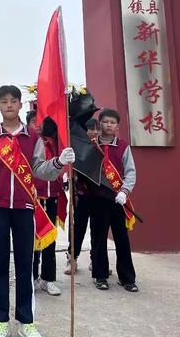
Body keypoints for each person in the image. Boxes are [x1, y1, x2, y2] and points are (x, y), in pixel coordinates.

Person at [0, 85, 75, 337]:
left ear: (21, 105)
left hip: (25, 208)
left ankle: (26, 321)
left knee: (25, 265)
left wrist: (59, 162)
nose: (9, 105)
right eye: (4, 101)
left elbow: (40, 170)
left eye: (13, 101)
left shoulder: (33, 138)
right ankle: (0, 321)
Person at [89, 109, 138, 292]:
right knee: (99, 239)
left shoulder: (123, 146)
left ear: (117, 125)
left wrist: (124, 191)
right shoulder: (92, 146)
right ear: (99, 123)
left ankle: (127, 278)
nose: (109, 125)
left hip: (118, 199)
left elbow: (131, 172)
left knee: (122, 239)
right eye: (106, 121)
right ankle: (100, 276)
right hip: (97, 200)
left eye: (113, 122)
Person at [31, 116, 65, 297]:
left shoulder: (55, 143)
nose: (37, 127)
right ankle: (31, 277)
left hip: (51, 197)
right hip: (32, 198)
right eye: (33, 123)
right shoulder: (26, 143)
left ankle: (48, 279)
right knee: (32, 240)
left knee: (50, 240)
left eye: (41, 123)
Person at [64, 117, 100, 275]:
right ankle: (72, 259)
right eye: (89, 129)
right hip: (81, 195)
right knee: (78, 228)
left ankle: (96, 260)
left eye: (95, 129)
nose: (92, 132)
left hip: (99, 196)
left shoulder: (102, 147)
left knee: (97, 229)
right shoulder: (77, 148)